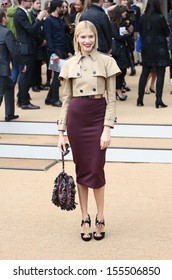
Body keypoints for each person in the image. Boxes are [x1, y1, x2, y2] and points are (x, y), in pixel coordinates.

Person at [58, 20, 120, 241]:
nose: (87, 41)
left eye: (90, 36)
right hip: (76, 118)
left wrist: (107, 129)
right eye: (82, 37)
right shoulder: (68, 64)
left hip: (97, 117)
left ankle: (100, 217)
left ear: (96, 38)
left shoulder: (107, 61)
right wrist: (61, 133)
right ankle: (84, 217)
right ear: (76, 39)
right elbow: (65, 100)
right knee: (82, 170)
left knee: (96, 169)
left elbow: (112, 99)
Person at [14, 0, 47, 109]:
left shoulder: (23, 12)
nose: (31, 2)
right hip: (25, 49)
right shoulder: (20, 13)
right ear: (23, 1)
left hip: (28, 47)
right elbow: (31, 29)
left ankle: (21, 99)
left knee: (26, 75)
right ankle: (24, 102)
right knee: (26, 76)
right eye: (30, 1)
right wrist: (39, 18)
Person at [137, 0, 170, 108]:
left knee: (144, 73)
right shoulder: (160, 17)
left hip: (147, 48)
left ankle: (140, 98)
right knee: (161, 73)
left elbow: (141, 32)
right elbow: (167, 32)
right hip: (160, 48)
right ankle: (158, 99)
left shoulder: (142, 17)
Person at [43, 0, 73, 107]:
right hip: (55, 51)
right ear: (57, 8)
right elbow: (48, 38)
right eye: (62, 7)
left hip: (62, 50)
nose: (64, 9)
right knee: (57, 76)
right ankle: (54, 99)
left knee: (58, 75)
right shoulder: (48, 21)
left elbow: (64, 37)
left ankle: (49, 98)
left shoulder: (60, 19)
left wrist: (69, 51)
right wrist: (52, 54)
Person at [0, 8, 25, 121]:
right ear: (3, 18)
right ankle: (9, 114)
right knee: (1, 92)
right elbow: (14, 51)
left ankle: (9, 113)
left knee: (9, 86)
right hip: (2, 68)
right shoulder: (6, 32)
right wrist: (22, 64)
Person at [111, 5, 131, 101]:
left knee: (123, 70)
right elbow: (118, 37)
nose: (126, 13)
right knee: (120, 71)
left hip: (123, 49)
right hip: (118, 51)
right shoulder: (114, 24)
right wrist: (128, 34)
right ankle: (118, 90)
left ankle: (119, 88)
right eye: (124, 12)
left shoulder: (122, 23)